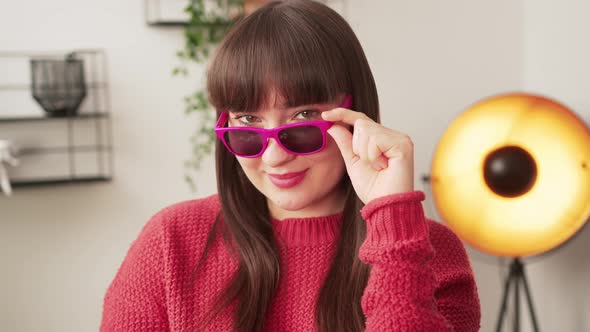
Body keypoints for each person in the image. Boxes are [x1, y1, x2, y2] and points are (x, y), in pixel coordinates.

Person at [100, 0, 481, 331]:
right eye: (248, 122)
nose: (273, 157)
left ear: (354, 114)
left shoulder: (429, 252)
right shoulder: (171, 242)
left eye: (303, 118)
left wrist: (393, 221)